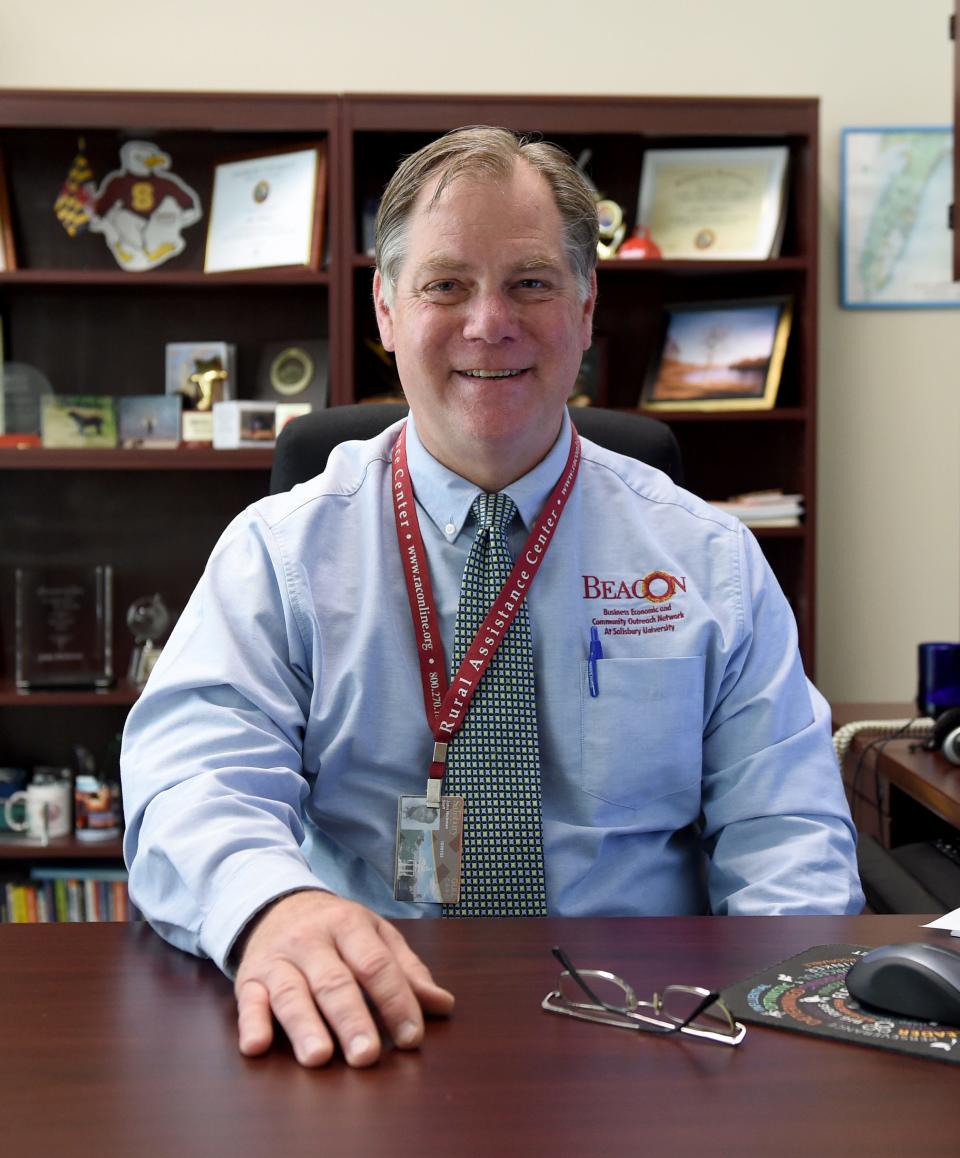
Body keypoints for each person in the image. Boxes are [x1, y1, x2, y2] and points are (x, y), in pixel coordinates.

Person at [120, 125, 863, 1071]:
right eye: (444, 285)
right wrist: (275, 906)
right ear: (385, 309)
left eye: (531, 283)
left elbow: (786, 827)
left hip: (650, 1030)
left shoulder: (705, 557)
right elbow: (191, 775)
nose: (488, 322)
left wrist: (773, 1035)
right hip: (371, 1014)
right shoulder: (283, 550)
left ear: (587, 308)